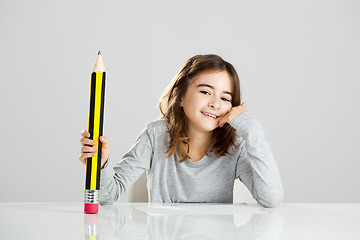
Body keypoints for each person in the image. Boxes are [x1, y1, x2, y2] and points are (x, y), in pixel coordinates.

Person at [79, 54, 284, 207]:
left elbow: (271, 198)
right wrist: (101, 164)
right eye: (205, 92)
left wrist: (251, 128)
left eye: (225, 98)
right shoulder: (155, 135)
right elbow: (107, 197)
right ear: (181, 96)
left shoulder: (235, 145)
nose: (215, 104)